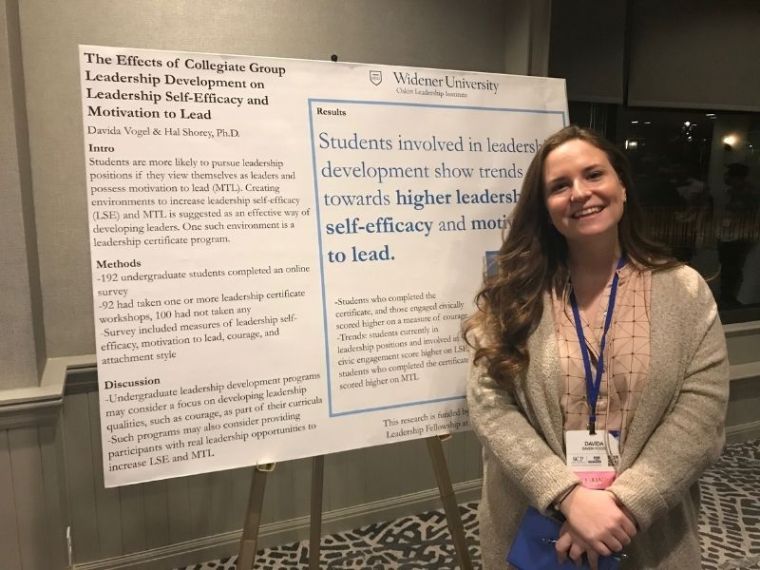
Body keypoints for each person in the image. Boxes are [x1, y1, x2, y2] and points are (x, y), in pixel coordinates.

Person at [464, 125, 730, 569]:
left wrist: (621, 506)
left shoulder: (684, 290)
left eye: (593, 175)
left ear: (621, 184)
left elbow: (701, 414)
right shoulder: (513, 291)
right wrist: (568, 497)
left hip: (648, 533)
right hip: (531, 527)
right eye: (560, 185)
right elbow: (490, 405)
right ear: (545, 207)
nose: (580, 193)